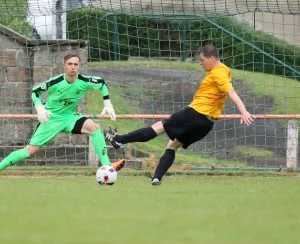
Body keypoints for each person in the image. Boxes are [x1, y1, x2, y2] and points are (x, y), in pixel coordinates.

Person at [104, 44, 255, 186]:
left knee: (159, 127)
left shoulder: (218, 72)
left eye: (202, 60)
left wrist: (243, 111)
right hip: (206, 124)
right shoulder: (225, 71)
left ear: (212, 58)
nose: (200, 63)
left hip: (195, 114)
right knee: (173, 145)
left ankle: (119, 140)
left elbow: (231, 92)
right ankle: (156, 178)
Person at [0, 53, 125, 180]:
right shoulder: (55, 82)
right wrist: (40, 109)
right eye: (70, 64)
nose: (73, 67)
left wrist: (107, 103)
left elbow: (101, 83)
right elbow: (35, 92)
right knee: (29, 151)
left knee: (94, 128)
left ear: (79, 67)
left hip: (70, 117)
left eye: (76, 64)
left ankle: (108, 166)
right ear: (64, 66)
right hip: (51, 118)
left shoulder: (83, 81)